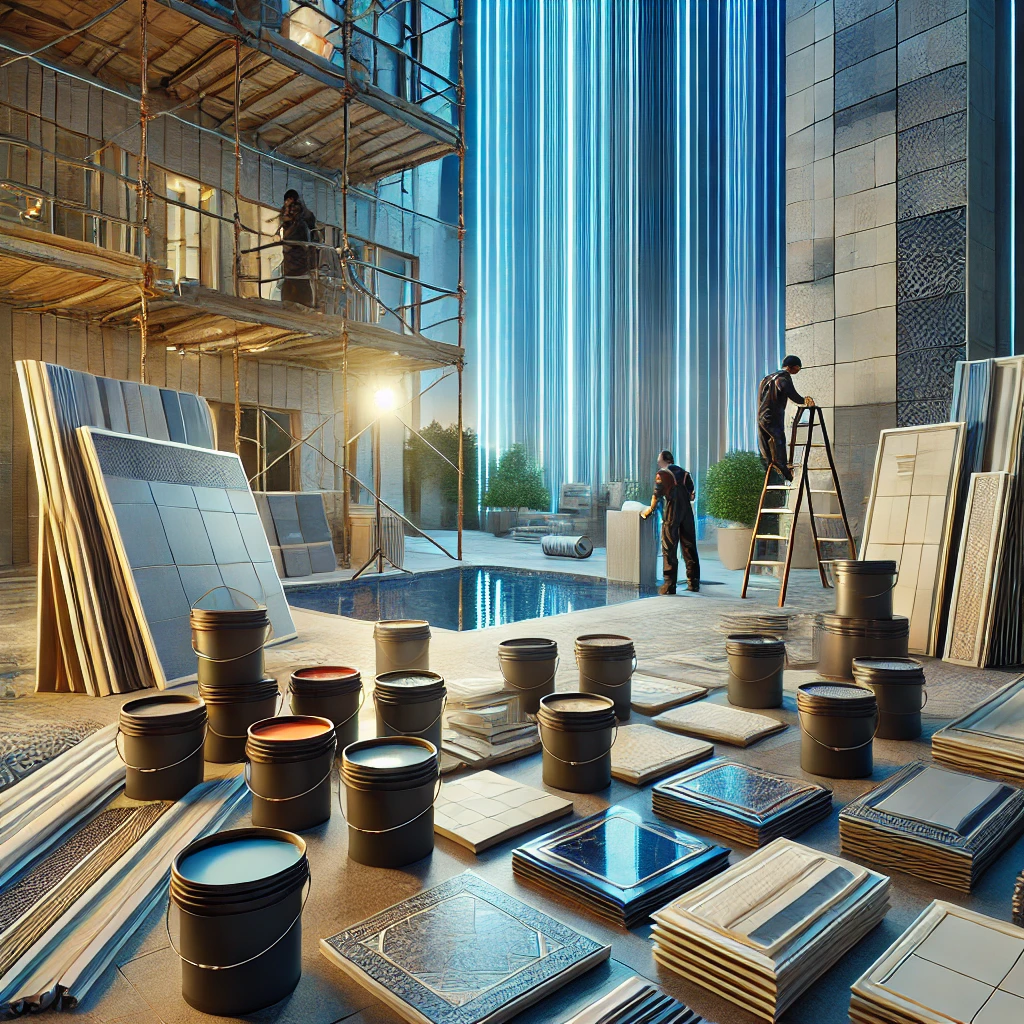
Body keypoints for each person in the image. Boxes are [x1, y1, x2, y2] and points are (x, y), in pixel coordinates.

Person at [641, 450, 700, 595]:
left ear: (664, 461)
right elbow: (692, 496)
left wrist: (649, 510)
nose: (658, 463)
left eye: (659, 460)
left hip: (672, 512)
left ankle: (669, 585)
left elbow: (656, 495)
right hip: (687, 514)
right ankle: (693, 583)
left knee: (669, 547)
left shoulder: (662, 474)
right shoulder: (686, 474)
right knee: (689, 546)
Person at [757, 355, 814, 482]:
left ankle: (771, 466)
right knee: (779, 439)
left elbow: (760, 398)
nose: (798, 370)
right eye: (798, 368)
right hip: (773, 416)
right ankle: (783, 469)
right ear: (794, 367)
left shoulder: (767, 378)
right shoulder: (783, 378)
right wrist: (804, 401)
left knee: (766, 442)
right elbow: (791, 393)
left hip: (762, 416)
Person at [279, 189, 316, 307]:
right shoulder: (289, 226)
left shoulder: (300, 226)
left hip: (299, 275)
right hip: (291, 274)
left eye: (292, 207)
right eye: (287, 207)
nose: (288, 211)